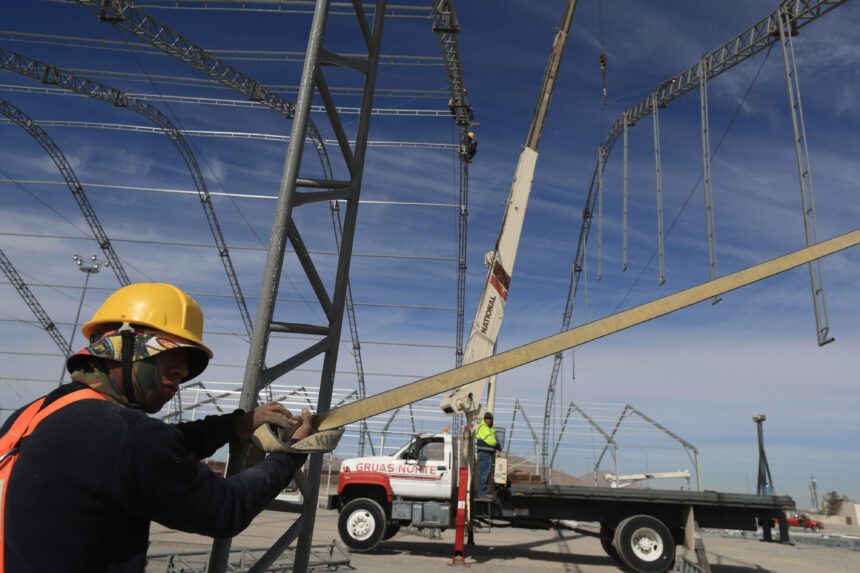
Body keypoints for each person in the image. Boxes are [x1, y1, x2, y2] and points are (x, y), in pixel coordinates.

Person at [0, 282, 313, 572]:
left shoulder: (35, 415)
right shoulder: (126, 436)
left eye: (182, 373)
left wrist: (236, 426)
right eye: (170, 361)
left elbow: (162, 447)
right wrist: (292, 453)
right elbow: (226, 508)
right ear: (124, 347)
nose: (178, 379)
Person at [475, 411, 501, 499]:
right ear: (484, 419)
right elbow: (488, 439)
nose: (488, 420)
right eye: (487, 419)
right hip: (484, 452)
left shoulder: (490, 428)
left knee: (486, 473)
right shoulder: (484, 427)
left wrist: (496, 446)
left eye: (490, 419)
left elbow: (492, 438)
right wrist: (496, 444)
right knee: (484, 473)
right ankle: (482, 494)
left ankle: (483, 493)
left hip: (488, 452)